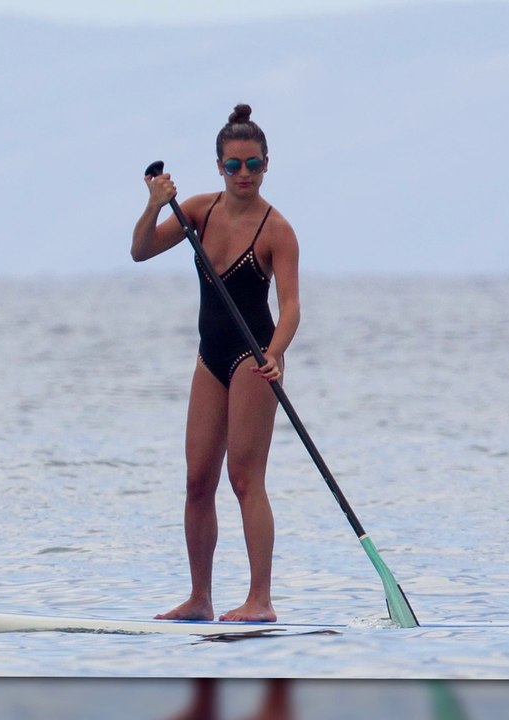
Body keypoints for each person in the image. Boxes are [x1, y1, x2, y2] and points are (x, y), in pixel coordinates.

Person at [131, 104, 301, 622]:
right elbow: (140, 251)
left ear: (267, 164)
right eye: (233, 165)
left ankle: (260, 600)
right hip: (210, 355)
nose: (243, 175)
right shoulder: (198, 213)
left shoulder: (277, 230)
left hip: (255, 357)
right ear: (219, 166)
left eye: (252, 164)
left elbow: (291, 306)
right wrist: (155, 205)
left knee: (245, 478)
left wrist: (276, 355)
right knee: (197, 480)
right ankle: (199, 598)